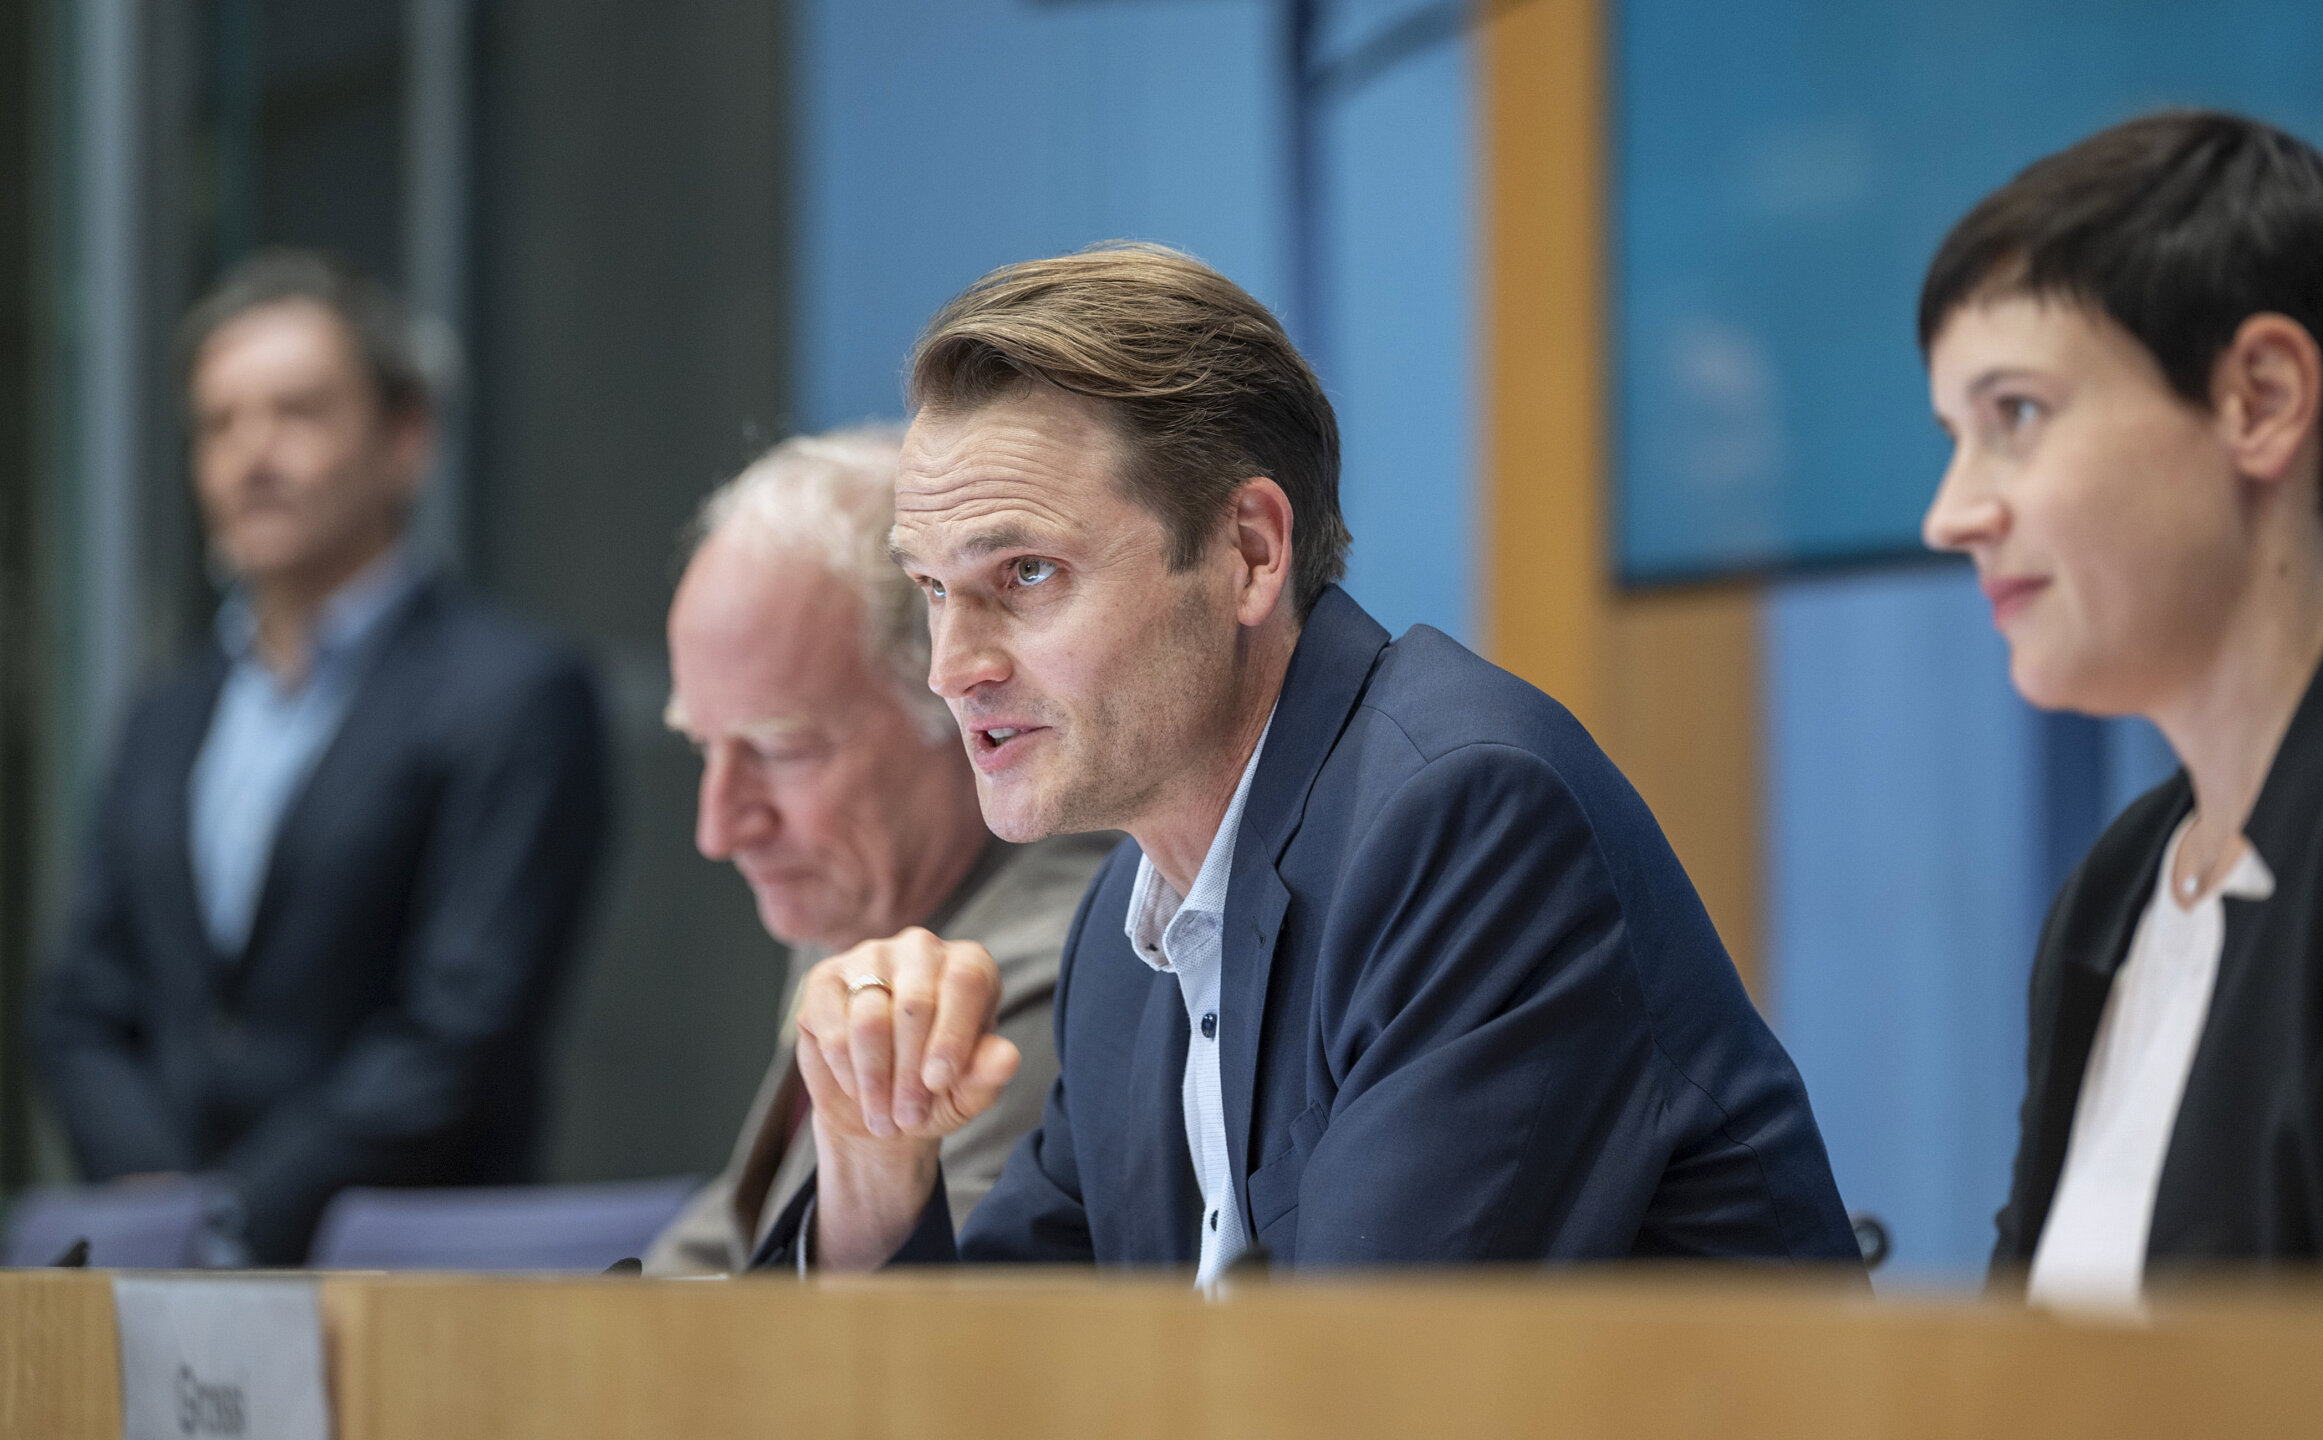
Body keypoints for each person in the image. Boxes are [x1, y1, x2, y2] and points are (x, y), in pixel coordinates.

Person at [757, 243, 1858, 1277]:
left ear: (1249, 552)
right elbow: (989, 1390)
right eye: (933, 590)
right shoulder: (1123, 933)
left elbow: (1364, 1392)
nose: (954, 668)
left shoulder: (1463, 823)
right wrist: (872, 1160)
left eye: (1028, 575)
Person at [1918, 112, 2323, 1307]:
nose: (1951, 513)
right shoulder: (2115, 884)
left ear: (2259, 400)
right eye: (1953, 436)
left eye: (2014, 416)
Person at [29, 250, 612, 1264]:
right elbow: (82, 1003)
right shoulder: (164, 715)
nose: (253, 454)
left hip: (404, 1276)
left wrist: (235, 1215)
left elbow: (465, 1026)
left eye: (298, 411)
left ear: (406, 438)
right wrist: (160, 1201)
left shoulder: (513, 693)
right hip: (160, 1287)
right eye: (219, 423)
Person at [644, 428, 1113, 1274]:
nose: (720, 829)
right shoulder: (865, 903)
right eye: (701, 749)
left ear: (960, 711)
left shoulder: (1049, 963)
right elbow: (738, 1239)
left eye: (780, 752)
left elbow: (896, 1349)